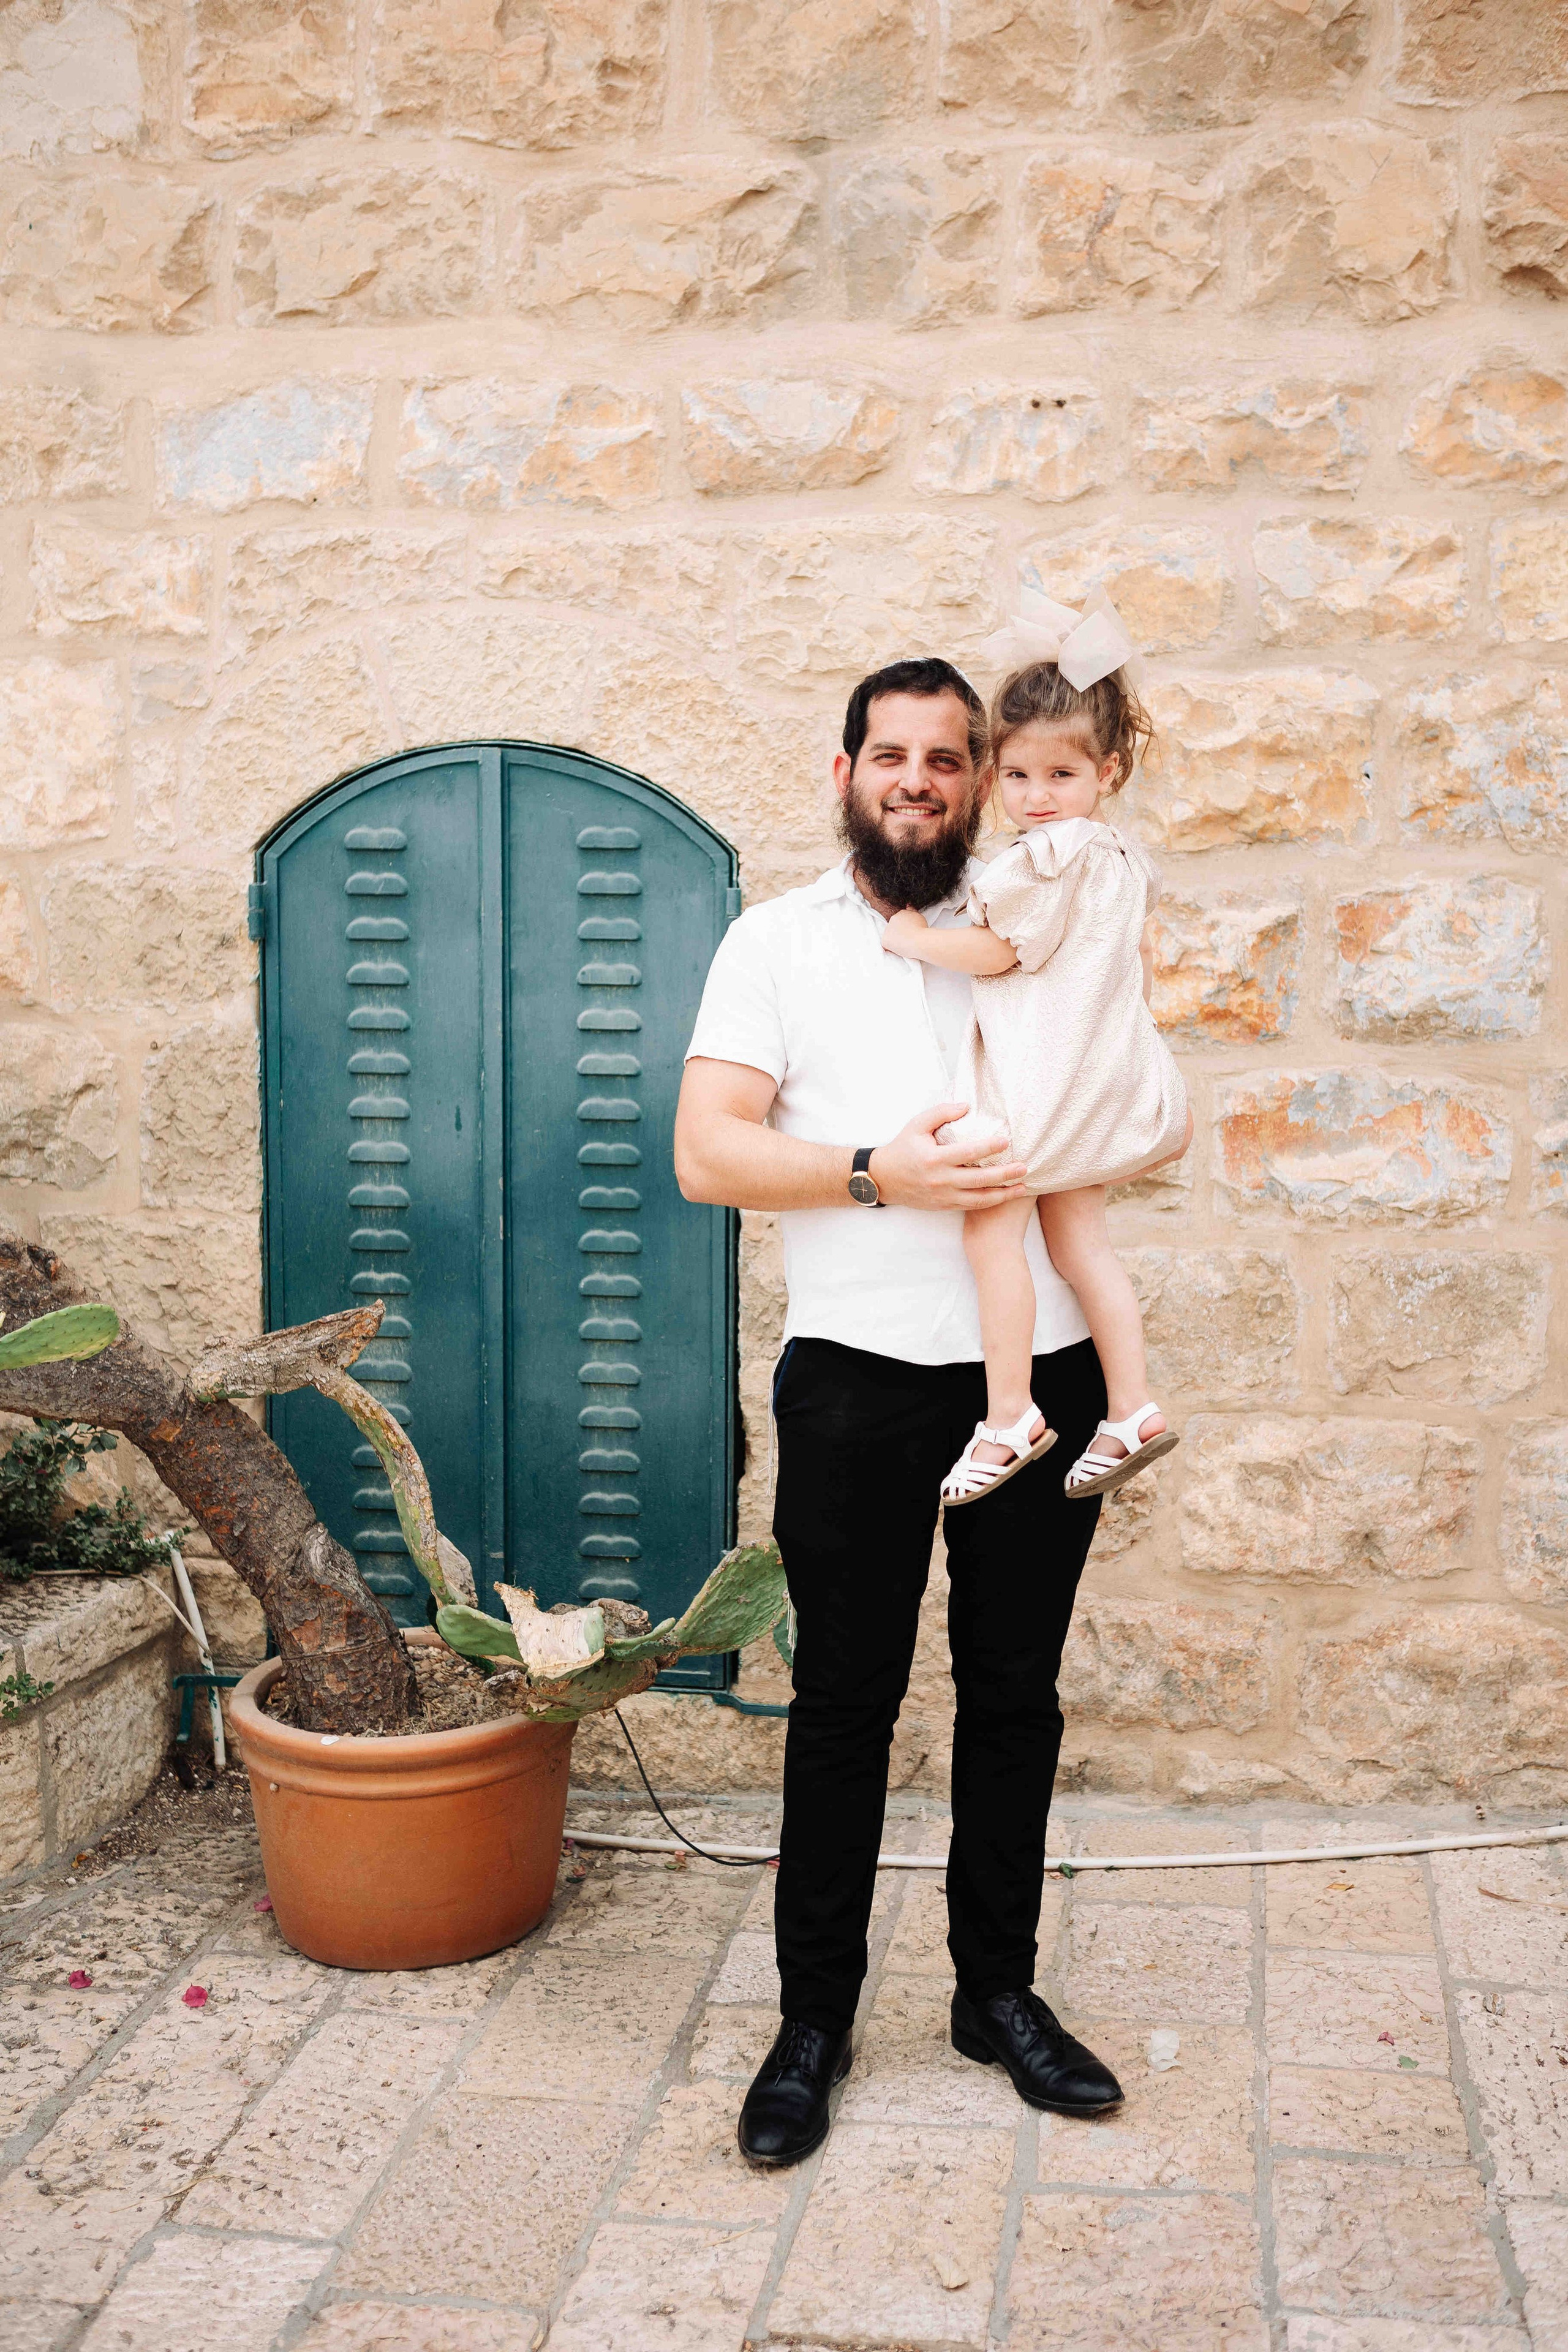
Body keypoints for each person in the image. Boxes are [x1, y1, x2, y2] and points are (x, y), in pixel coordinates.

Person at [674, 654, 1125, 2171]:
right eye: (892, 756)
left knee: (1014, 1698)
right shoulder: (774, 944)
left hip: (1039, 1378)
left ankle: (993, 1993)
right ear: (845, 770)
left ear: (981, 777)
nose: (919, 781)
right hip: (858, 1381)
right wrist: (882, 1172)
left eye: (949, 759)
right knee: (843, 1705)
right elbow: (707, 1154)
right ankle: (813, 2019)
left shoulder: (1034, 916)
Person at [882, 597, 1192, 1510]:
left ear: (1110, 770)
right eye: (1016, 775)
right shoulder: (1121, 859)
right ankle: (1131, 1405)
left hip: (1039, 1087)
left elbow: (999, 953)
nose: (1036, 795)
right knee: (1080, 1238)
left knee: (990, 1232)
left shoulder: (1042, 859)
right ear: (994, 774)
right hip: (1094, 1083)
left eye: (1061, 772)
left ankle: (1010, 1414)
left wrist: (914, 939)